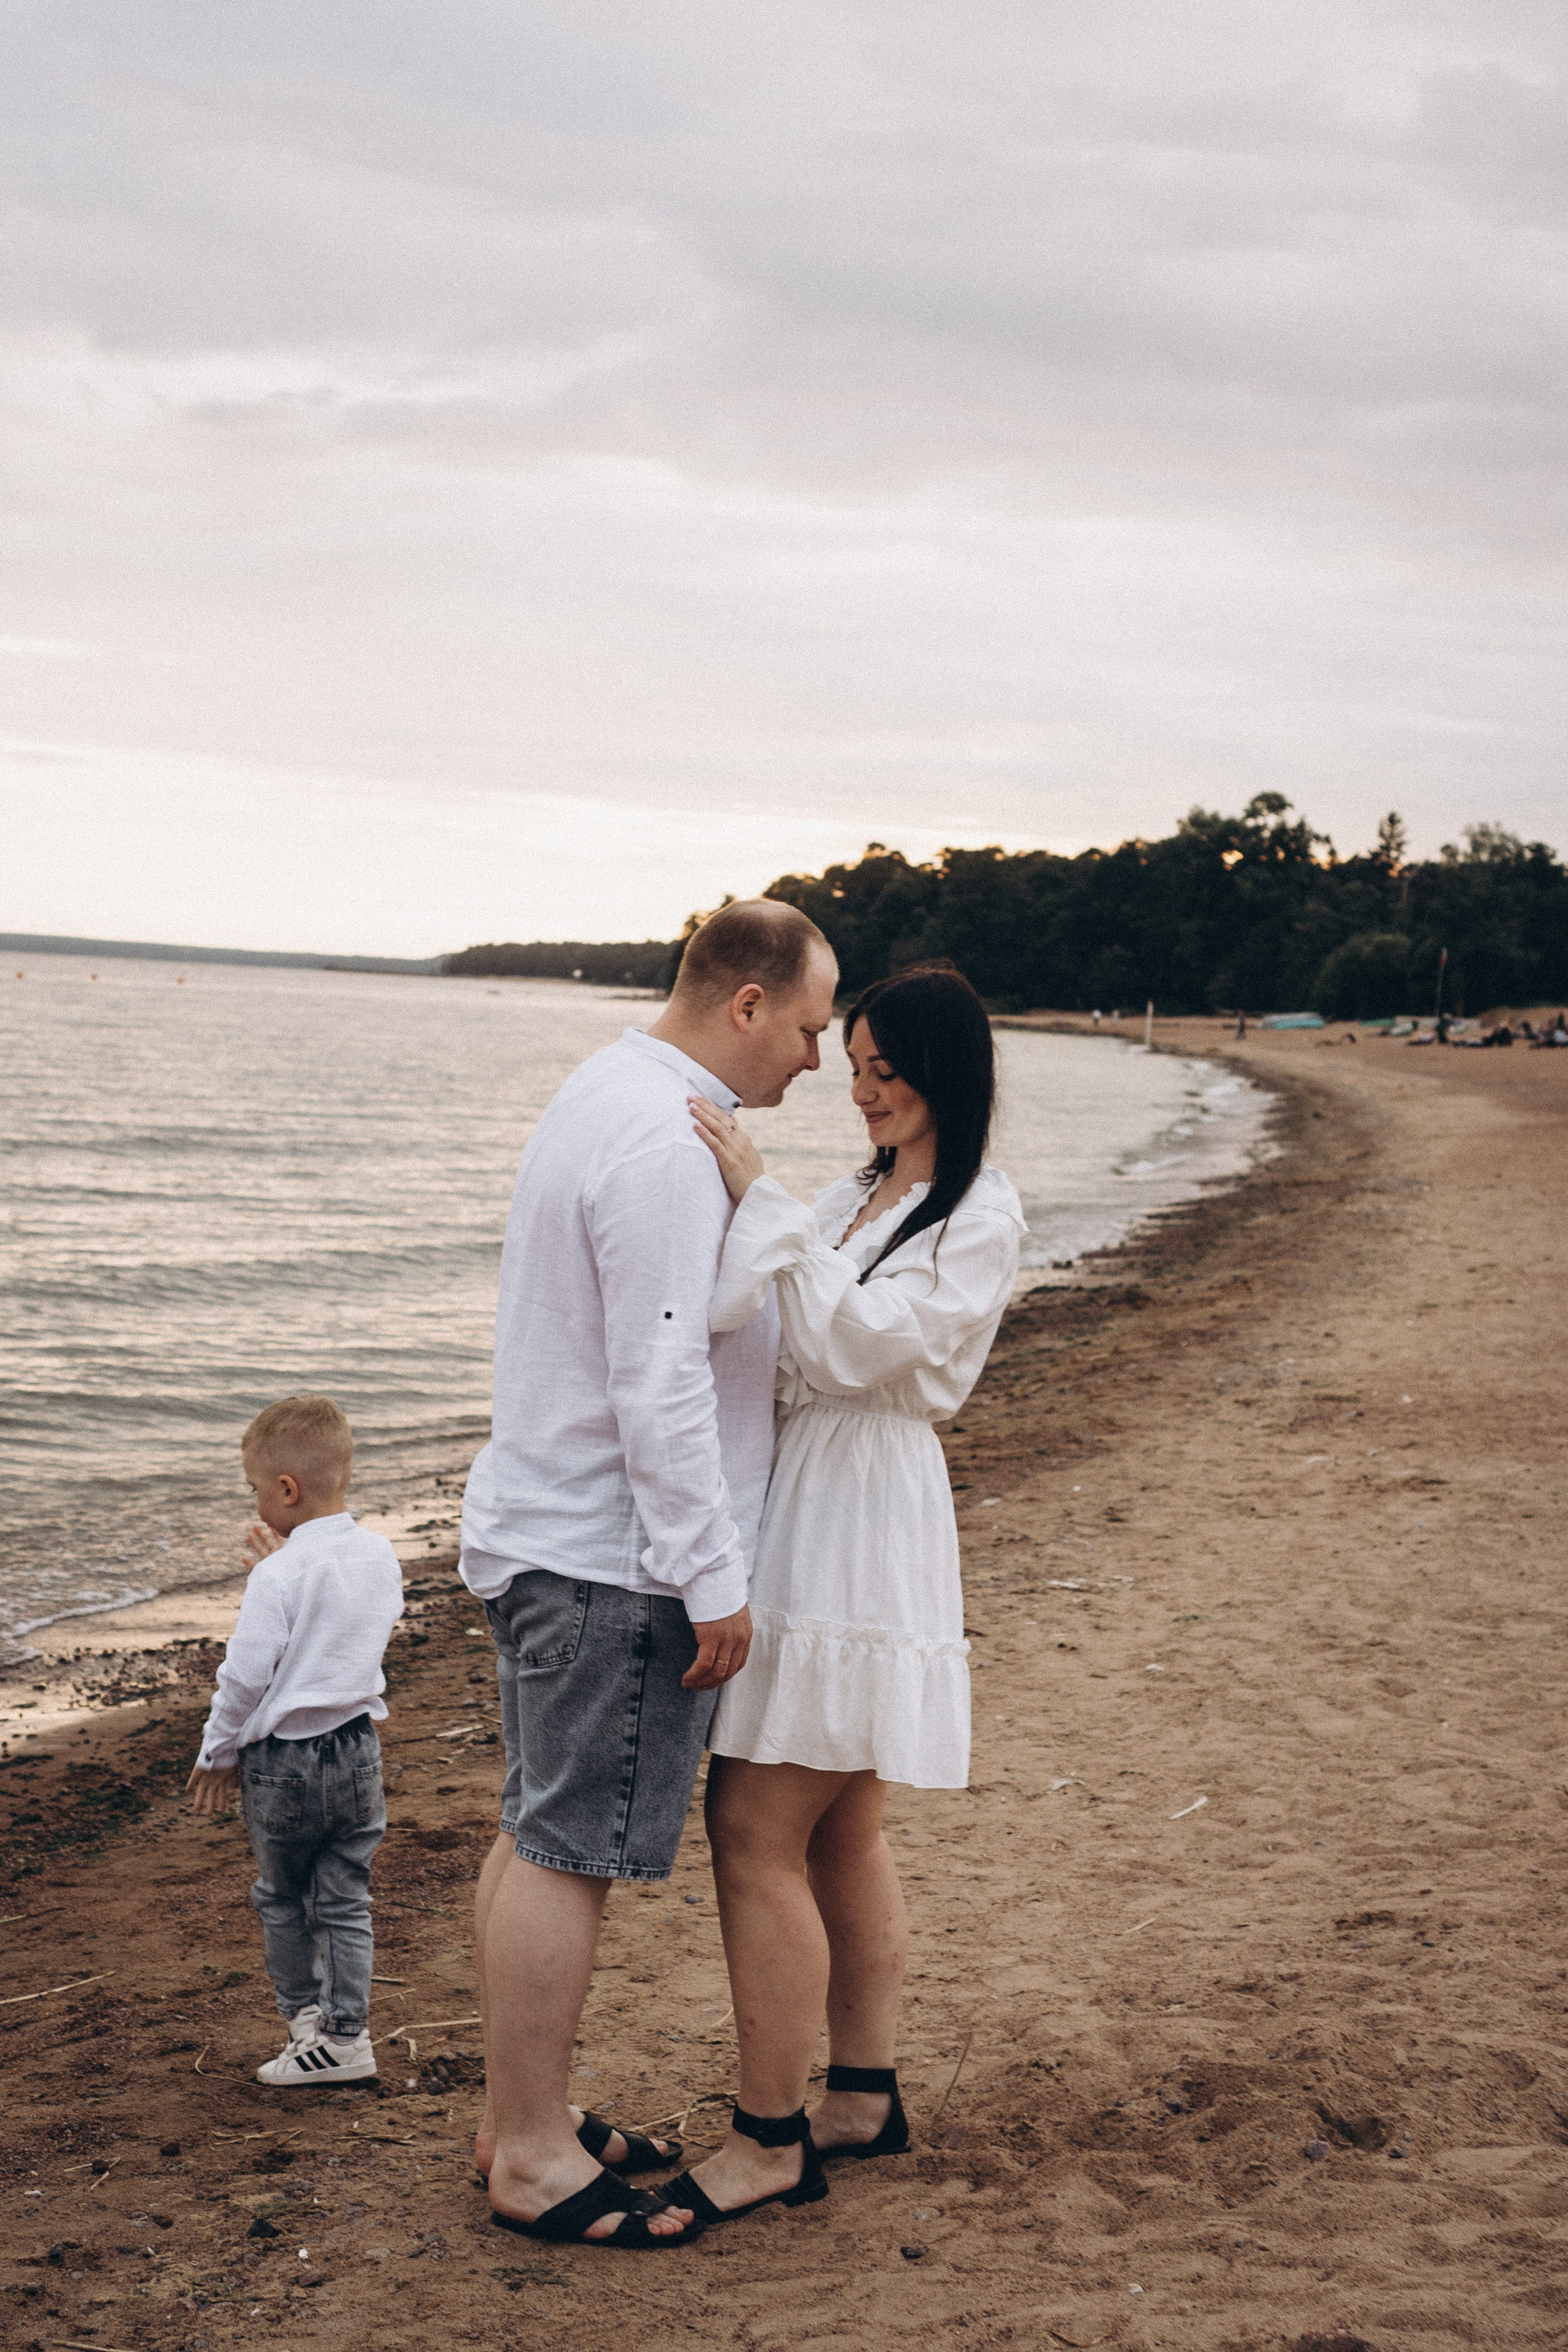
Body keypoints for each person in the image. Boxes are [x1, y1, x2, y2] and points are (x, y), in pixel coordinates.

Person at [461, 899, 839, 2249]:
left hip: (547, 1531)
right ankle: (528, 2153)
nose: (816, 1058)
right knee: (567, 1855)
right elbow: (659, 1379)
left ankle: (523, 2117)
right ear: (747, 1004)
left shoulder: (602, 1088)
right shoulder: (669, 1143)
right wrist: (708, 1574)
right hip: (613, 1558)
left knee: (533, 1833)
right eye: (808, 1029)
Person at [660, 963, 1024, 2231]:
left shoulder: (977, 1211)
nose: (862, 1090)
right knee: (839, 1829)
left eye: (885, 1069)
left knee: (752, 1824)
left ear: (944, 1073)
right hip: (810, 1492)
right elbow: (762, 1320)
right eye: (855, 1066)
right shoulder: (858, 1195)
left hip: (861, 1510)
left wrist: (758, 1199)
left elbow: (856, 1348)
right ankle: (861, 2097)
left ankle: (769, 2137)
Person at [186, 1394, 403, 2087]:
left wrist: (217, 1752)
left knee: (282, 1898)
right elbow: (337, 1622)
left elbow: (245, 1678)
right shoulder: (378, 1553)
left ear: (286, 1489)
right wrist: (283, 1564)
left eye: (254, 1489)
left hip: (285, 1763)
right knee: (345, 1899)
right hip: (358, 1750)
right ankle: (346, 2036)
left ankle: (305, 2020)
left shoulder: (277, 1575)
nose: (253, 1501)